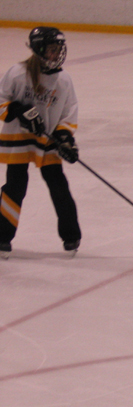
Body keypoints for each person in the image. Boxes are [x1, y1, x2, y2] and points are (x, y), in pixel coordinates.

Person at [0, 27, 81, 259]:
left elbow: (69, 112)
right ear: (38, 49)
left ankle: (71, 235)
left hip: (48, 142)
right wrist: (18, 110)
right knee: (15, 187)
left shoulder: (63, 79)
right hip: (19, 140)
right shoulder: (17, 73)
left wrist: (65, 138)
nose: (57, 55)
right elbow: (1, 98)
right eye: (52, 50)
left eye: (59, 50)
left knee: (59, 186)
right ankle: (2, 235)